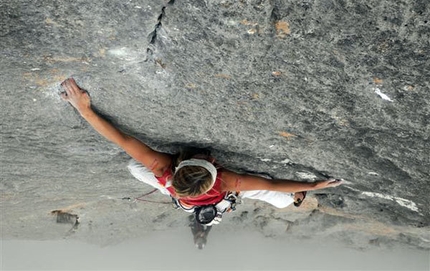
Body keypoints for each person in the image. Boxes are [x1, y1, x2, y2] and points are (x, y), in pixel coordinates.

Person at [60, 78, 343, 224]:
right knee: (281, 200)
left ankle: (288, 199)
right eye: (208, 161)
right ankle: (294, 199)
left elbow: (121, 140)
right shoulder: (229, 182)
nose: (206, 155)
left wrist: (84, 110)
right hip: (201, 196)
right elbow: (271, 183)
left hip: (181, 194)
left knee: (134, 167)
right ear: (214, 170)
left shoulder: (162, 168)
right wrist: (311, 185)